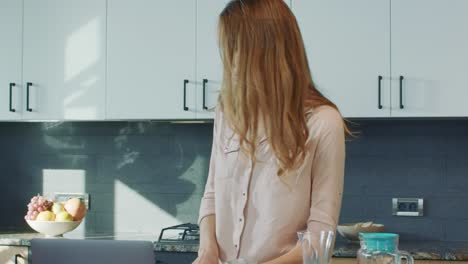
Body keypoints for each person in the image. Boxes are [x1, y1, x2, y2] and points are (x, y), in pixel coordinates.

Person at [194, 0, 347, 263]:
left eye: (233, 49)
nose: (227, 61)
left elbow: (320, 239)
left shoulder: (323, 123)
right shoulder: (227, 113)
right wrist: (207, 252)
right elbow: (211, 197)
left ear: (263, 52)